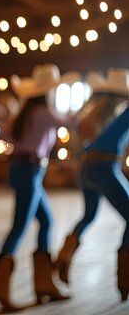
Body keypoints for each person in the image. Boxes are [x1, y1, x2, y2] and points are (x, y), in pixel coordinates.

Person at [0, 64, 73, 311]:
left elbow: (0, 136)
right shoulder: (44, 111)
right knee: (19, 226)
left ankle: (44, 283)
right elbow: (70, 124)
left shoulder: (25, 112)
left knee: (45, 221)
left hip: (22, 168)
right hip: (30, 170)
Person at [56, 69, 129, 301]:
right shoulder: (123, 113)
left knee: (88, 215)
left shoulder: (95, 113)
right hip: (105, 168)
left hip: (86, 169)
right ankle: (125, 275)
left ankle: (66, 253)